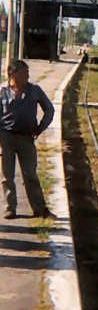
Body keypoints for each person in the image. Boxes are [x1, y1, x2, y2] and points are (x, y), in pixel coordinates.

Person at [1, 60, 56, 220]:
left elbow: (49, 110)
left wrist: (40, 128)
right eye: (24, 73)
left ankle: (40, 209)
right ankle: (10, 208)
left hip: (27, 138)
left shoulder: (35, 91)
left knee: (30, 174)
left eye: (28, 72)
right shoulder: (2, 91)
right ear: (13, 74)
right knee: (7, 176)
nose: (28, 76)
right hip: (6, 138)